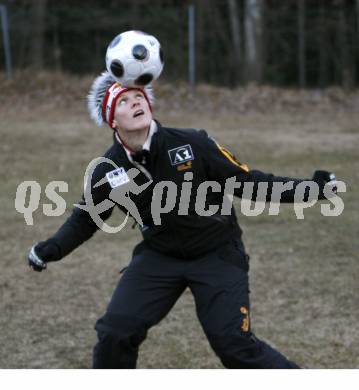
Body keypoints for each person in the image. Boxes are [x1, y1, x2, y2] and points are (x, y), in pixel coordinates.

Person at [28, 71, 337, 369]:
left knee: (234, 345)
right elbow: (86, 219)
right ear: (111, 119)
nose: (136, 102)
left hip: (216, 254)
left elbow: (249, 182)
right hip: (160, 257)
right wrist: (51, 248)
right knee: (115, 333)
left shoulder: (192, 143)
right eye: (123, 101)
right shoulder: (108, 169)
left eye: (139, 96)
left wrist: (313, 189)